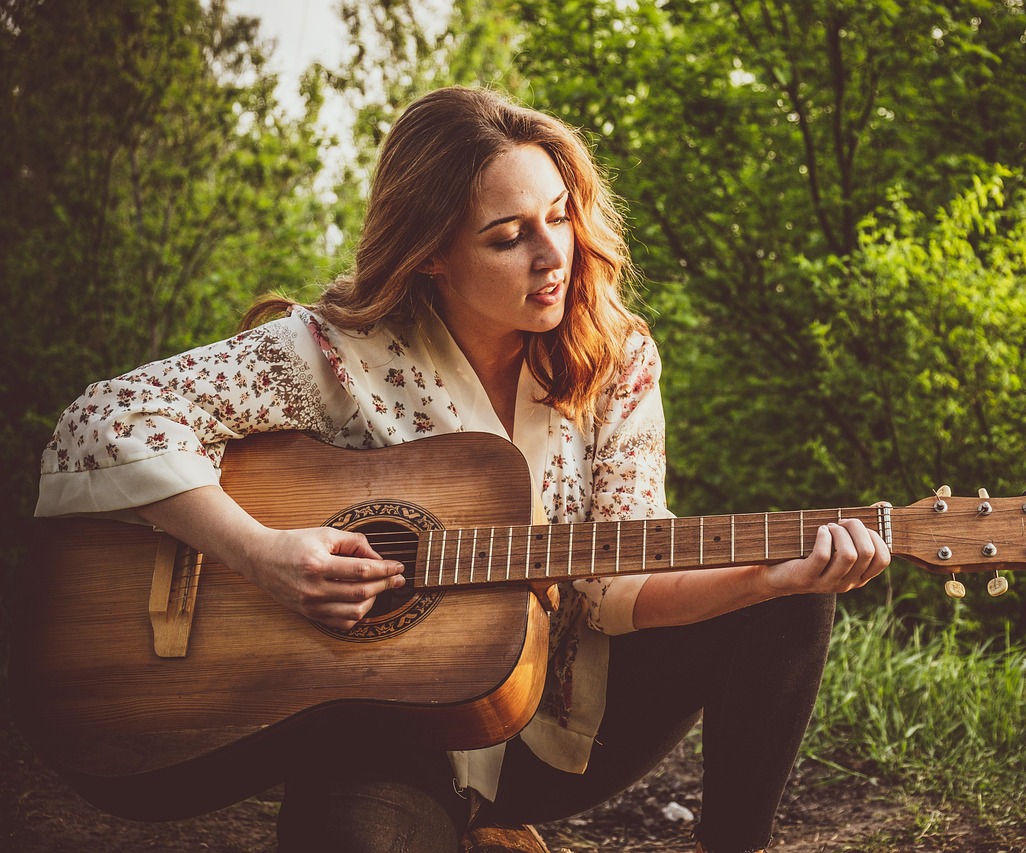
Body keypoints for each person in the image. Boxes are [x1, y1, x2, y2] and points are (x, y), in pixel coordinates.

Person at [36, 86, 890, 853]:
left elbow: (616, 585)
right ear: (431, 252)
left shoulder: (615, 357)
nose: (554, 254)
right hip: (388, 735)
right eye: (509, 236)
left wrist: (761, 578)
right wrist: (257, 551)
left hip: (557, 725)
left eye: (559, 215)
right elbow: (104, 420)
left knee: (792, 601)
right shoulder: (336, 354)